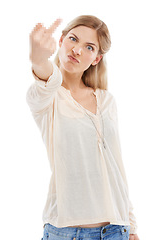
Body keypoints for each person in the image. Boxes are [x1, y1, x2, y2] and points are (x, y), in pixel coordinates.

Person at [26, 15, 140, 240]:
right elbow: (46, 78)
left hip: (117, 230)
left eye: (88, 47)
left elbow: (115, 165)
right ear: (61, 41)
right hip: (67, 233)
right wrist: (38, 60)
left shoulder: (107, 101)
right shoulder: (48, 98)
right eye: (73, 39)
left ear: (97, 59)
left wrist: (131, 225)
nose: (76, 50)